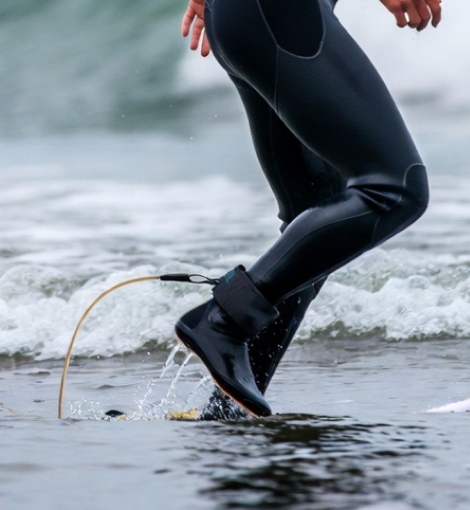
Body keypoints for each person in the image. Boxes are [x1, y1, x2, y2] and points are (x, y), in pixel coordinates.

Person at [177, 0, 439, 418]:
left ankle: (230, 406)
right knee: (394, 188)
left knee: (317, 207)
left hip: (251, 18)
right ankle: (225, 321)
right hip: (276, 15)